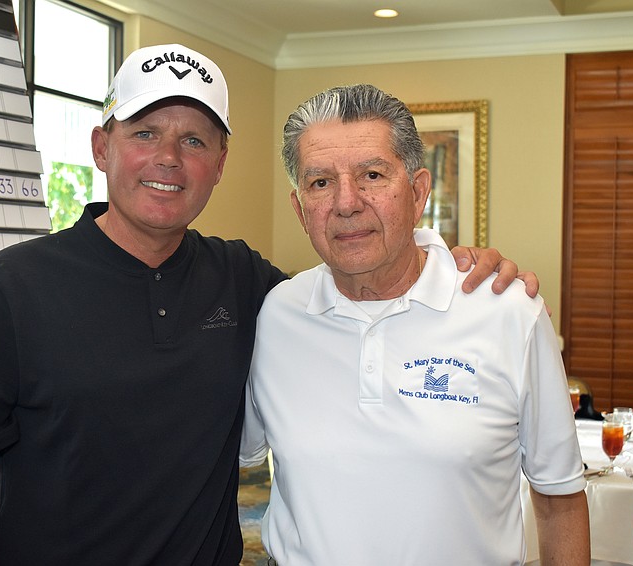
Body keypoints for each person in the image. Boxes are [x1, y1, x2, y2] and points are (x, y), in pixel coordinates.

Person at [0, 45, 533, 565]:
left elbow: (361, 283)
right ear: (101, 148)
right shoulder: (12, 285)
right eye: (144, 134)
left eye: (194, 140)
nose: (168, 159)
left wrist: (451, 265)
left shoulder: (245, 281)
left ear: (219, 165)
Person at [240, 84, 589, 565]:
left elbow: (560, 499)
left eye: (373, 175)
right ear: (301, 209)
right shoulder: (277, 314)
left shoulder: (508, 311)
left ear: (418, 191)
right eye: (320, 182)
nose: (346, 202)